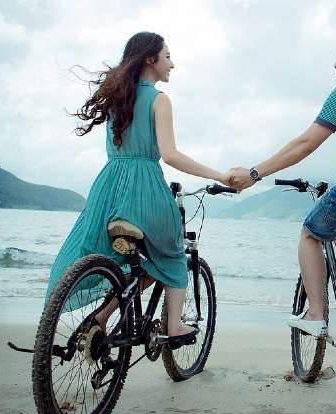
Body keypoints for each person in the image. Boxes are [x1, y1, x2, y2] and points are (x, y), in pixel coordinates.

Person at [45, 32, 229, 347]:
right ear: (150, 59)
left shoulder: (118, 98)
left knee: (133, 262)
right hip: (144, 188)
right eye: (168, 56)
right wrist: (221, 175)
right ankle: (174, 325)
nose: (173, 63)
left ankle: (100, 318)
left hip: (109, 189)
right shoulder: (159, 100)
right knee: (171, 252)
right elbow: (170, 155)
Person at [228, 29, 336, 337]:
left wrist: (255, 173)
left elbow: (305, 144)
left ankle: (315, 315)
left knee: (310, 235)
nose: (335, 63)